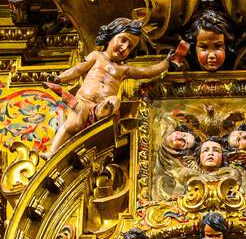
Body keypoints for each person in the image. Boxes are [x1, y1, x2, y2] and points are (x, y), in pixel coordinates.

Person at [44, 19, 171, 157]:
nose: (124, 48)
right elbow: (77, 70)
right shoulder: (96, 56)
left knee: (114, 101)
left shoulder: (124, 69)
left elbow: (147, 72)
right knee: (72, 125)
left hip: (102, 106)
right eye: (123, 40)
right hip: (83, 101)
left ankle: (103, 117)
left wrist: (165, 64)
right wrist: (59, 78)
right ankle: (52, 152)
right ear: (111, 35)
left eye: (130, 47)